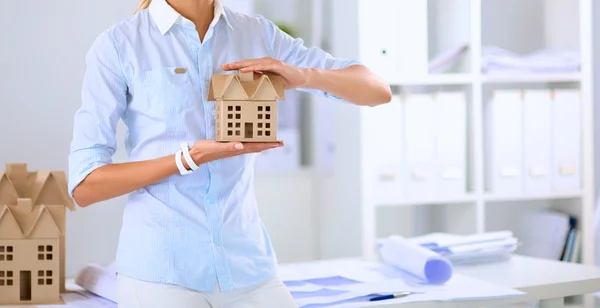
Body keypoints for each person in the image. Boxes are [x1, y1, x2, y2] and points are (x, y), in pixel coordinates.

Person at [68, 0, 391, 307]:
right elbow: (85, 185)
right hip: (163, 271)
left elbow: (377, 90)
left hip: (249, 268)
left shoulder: (256, 34)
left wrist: (303, 76)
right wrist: (186, 159)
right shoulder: (119, 45)